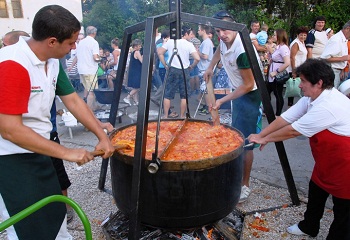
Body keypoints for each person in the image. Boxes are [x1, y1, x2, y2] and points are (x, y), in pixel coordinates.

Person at [0, 5, 114, 239]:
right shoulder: (12, 65)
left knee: (52, 213)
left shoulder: (51, 60)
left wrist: (101, 136)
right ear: (52, 41)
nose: (74, 47)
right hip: (10, 159)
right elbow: (10, 130)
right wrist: (67, 153)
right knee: (26, 226)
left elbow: (72, 100)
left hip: (38, 150)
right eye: (71, 43)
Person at [248, 58, 350, 240]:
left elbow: (293, 131)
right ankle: (309, 226)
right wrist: (262, 135)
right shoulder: (313, 97)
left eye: (303, 81)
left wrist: (265, 139)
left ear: (318, 83)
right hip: (326, 160)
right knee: (316, 192)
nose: (300, 85)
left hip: (345, 164)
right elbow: (286, 118)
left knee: (343, 211)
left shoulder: (329, 105)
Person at [203, 10, 262, 203]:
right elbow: (220, 49)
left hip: (251, 94)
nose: (222, 34)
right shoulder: (224, 39)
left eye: (225, 30)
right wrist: (210, 66)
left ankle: (244, 185)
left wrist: (221, 100)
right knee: (236, 136)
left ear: (234, 27)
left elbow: (247, 84)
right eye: (218, 31)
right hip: (239, 90)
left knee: (246, 142)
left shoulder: (242, 51)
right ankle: (235, 176)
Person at [158, 25, 200, 118]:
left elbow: (160, 52)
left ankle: (165, 116)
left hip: (172, 69)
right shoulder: (189, 44)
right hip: (184, 70)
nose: (191, 36)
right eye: (190, 34)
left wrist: (165, 64)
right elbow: (197, 58)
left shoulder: (170, 41)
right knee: (184, 96)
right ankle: (182, 116)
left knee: (168, 94)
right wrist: (192, 66)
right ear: (185, 34)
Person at [74, 26, 101, 111]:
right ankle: (89, 112)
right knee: (91, 92)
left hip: (81, 70)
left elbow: (77, 56)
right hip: (90, 70)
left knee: (88, 89)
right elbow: (95, 57)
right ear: (94, 33)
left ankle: (94, 106)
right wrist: (100, 59)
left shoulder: (81, 42)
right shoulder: (94, 42)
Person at [267, 29, 290, 116]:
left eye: (274, 35)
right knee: (268, 91)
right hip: (272, 72)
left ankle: (278, 114)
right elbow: (275, 57)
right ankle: (267, 110)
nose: (273, 37)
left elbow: (287, 62)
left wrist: (276, 72)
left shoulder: (283, 48)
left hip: (277, 74)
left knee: (278, 93)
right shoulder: (278, 47)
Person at [321, 20, 350, 89]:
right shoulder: (336, 40)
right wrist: (343, 59)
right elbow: (325, 58)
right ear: (348, 29)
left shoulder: (343, 39)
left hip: (337, 71)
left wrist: (345, 63)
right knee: (331, 93)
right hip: (332, 71)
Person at [287, 26, 309, 107]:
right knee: (293, 88)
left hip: (302, 68)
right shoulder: (296, 43)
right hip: (296, 68)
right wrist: (294, 70)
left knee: (300, 86)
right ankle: (290, 105)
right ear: (297, 35)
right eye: (301, 35)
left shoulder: (302, 43)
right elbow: (292, 57)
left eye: (304, 35)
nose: (303, 37)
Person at [197, 24, 214, 115]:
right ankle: (205, 106)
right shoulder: (205, 42)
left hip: (205, 69)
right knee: (203, 89)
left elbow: (205, 56)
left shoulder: (206, 42)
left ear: (203, 30)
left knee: (205, 90)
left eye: (199, 29)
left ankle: (208, 108)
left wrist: (197, 51)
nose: (198, 31)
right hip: (203, 69)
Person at [124, 39, 143, 106]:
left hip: (133, 71)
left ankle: (136, 101)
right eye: (139, 45)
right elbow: (142, 61)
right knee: (137, 87)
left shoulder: (132, 53)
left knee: (135, 86)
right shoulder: (137, 52)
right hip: (137, 72)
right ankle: (128, 97)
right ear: (135, 46)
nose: (140, 47)